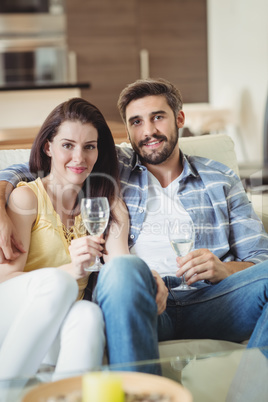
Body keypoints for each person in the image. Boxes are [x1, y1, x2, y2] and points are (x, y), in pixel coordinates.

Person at [1, 78, 268, 364]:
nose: (149, 131)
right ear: (127, 131)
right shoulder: (114, 164)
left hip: (214, 298)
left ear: (179, 118)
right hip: (141, 296)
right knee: (124, 271)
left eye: (158, 117)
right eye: (137, 122)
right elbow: (38, 168)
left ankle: (246, 392)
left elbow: (260, 257)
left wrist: (224, 269)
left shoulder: (220, 177)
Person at [0, 97, 132, 380]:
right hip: (12, 311)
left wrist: (146, 280)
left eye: (89, 147)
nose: (79, 158)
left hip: (59, 321)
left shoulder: (108, 204)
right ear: (48, 147)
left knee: (88, 315)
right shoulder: (27, 197)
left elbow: (123, 267)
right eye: (67, 145)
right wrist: (70, 270)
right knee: (59, 282)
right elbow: (6, 277)